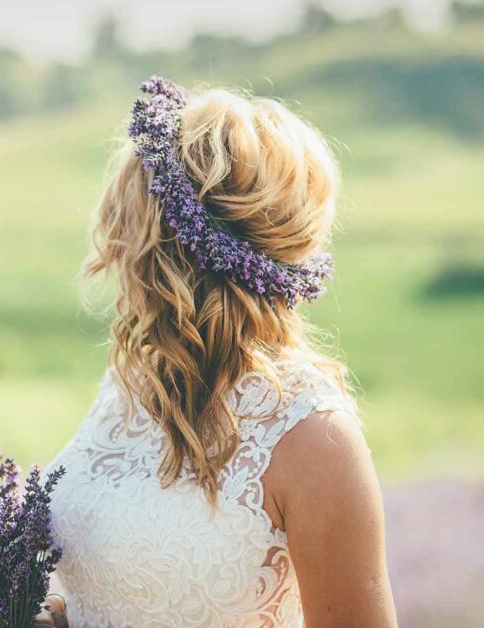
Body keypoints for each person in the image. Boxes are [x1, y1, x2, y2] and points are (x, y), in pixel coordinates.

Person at [35, 78, 397, 627]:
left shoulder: (314, 435)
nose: (109, 236)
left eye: (127, 212)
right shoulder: (130, 385)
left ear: (160, 241)